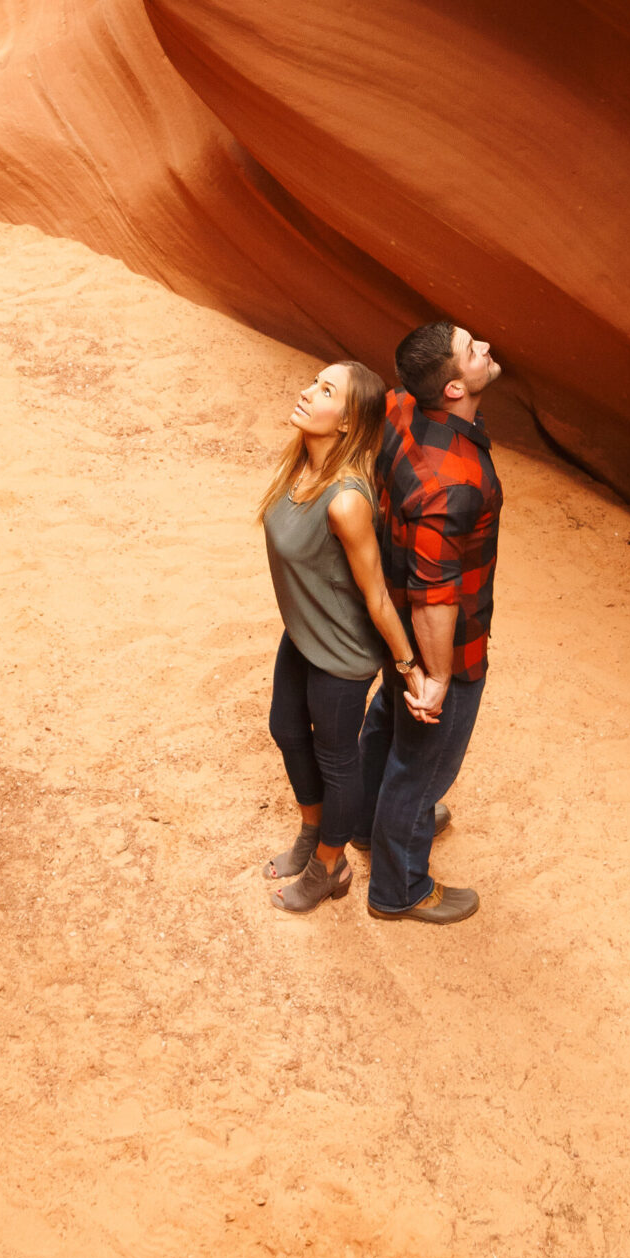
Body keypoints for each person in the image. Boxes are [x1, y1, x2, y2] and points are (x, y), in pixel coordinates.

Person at [259, 359, 434, 913]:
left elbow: (378, 596)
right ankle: (313, 835)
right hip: (306, 632)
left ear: (347, 422)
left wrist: (410, 669)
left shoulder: (346, 500)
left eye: (326, 390)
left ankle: (329, 867)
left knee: (338, 761)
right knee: (286, 729)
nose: (307, 392)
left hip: (341, 652)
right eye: (313, 380)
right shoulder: (300, 465)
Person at [356, 320, 502, 925]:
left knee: (388, 725)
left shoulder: (396, 405)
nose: (486, 348)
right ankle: (400, 887)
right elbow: (435, 597)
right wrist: (437, 678)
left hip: (391, 625)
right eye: (473, 350)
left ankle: (368, 823)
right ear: (452, 389)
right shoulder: (457, 482)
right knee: (423, 767)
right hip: (447, 642)